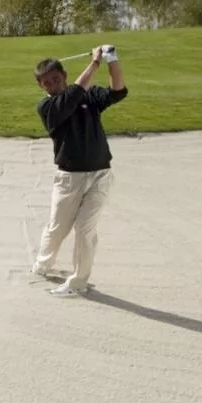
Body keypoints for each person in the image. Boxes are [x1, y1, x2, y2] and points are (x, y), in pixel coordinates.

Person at [31, 44, 127, 297]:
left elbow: (117, 92)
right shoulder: (48, 108)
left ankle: (77, 283)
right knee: (57, 228)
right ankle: (42, 264)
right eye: (46, 82)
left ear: (64, 75)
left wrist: (111, 59)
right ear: (41, 87)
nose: (52, 84)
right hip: (69, 178)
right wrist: (94, 63)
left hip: (100, 175)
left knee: (85, 230)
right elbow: (73, 94)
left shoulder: (88, 96)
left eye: (56, 78)